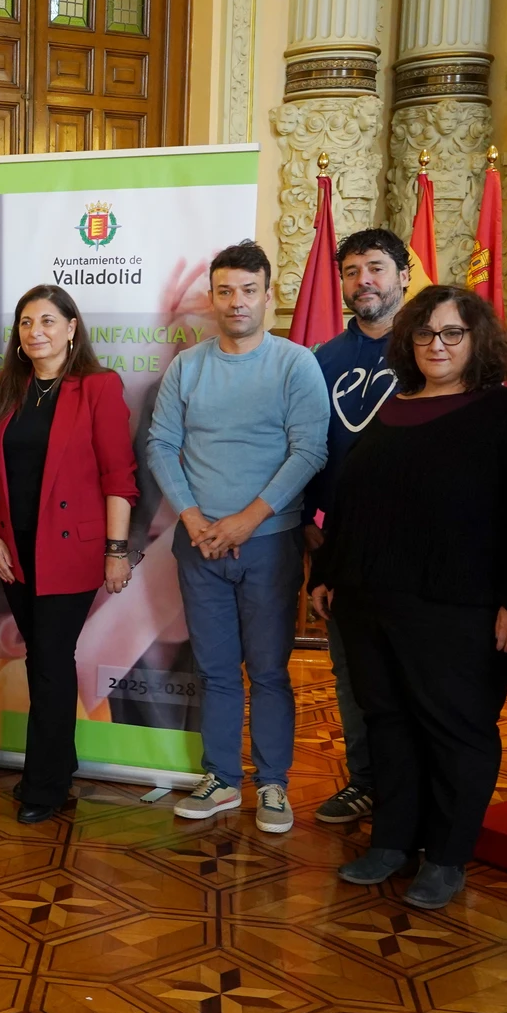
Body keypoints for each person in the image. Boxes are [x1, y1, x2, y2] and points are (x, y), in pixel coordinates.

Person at [308, 286, 507, 908]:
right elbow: (353, 504)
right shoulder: (392, 408)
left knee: (455, 728)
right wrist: (326, 572)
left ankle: (446, 854)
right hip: (370, 600)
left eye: (452, 334)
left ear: (477, 340)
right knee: (387, 721)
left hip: (461, 608)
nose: (436, 345)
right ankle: (391, 842)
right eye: (424, 334)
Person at [148, 240, 327, 834]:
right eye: (224, 291)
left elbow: (310, 450)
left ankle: (272, 784)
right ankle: (222, 778)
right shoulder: (188, 366)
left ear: (268, 296)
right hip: (198, 544)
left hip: (269, 541)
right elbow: (160, 445)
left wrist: (248, 519)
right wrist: (194, 518)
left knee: (270, 670)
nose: (236, 302)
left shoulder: (295, 363)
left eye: (248, 290)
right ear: (212, 297)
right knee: (217, 670)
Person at [0, 284, 137, 824]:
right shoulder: (4, 387)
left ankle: (45, 784)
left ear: (72, 328)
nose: (35, 331)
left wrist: (117, 550)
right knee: (40, 658)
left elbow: (120, 476)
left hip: (71, 551)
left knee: (49, 662)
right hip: (14, 550)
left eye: (48, 320)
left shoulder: (97, 386)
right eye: (25, 322)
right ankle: (59, 761)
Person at [304, 227, 410, 826]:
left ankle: (412, 791)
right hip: (343, 545)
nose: (362, 280)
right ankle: (365, 780)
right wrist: (307, 523)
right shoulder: (322, 360)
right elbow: (307, 446)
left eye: (375, 267)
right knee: (351, 674)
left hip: (415, 547)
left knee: (409, 674)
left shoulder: (432, 349)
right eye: (351, 271)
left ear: (402, 274)